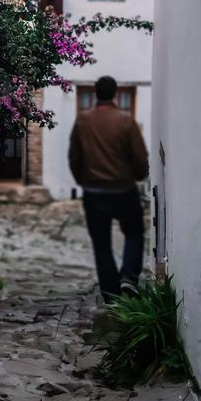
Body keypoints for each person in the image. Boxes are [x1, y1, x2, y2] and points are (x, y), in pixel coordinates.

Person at [68, 76, 149, 302]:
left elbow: (74, 156)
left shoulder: (83, 121)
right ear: (114, 94)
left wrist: (82, 180)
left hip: (94, 192)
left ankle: (111, 297)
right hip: (123, 189)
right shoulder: (126, 121)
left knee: (101, 244)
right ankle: (129, 277)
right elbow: (140, 158)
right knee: (134, 233)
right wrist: (137, 176)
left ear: (96, 93)